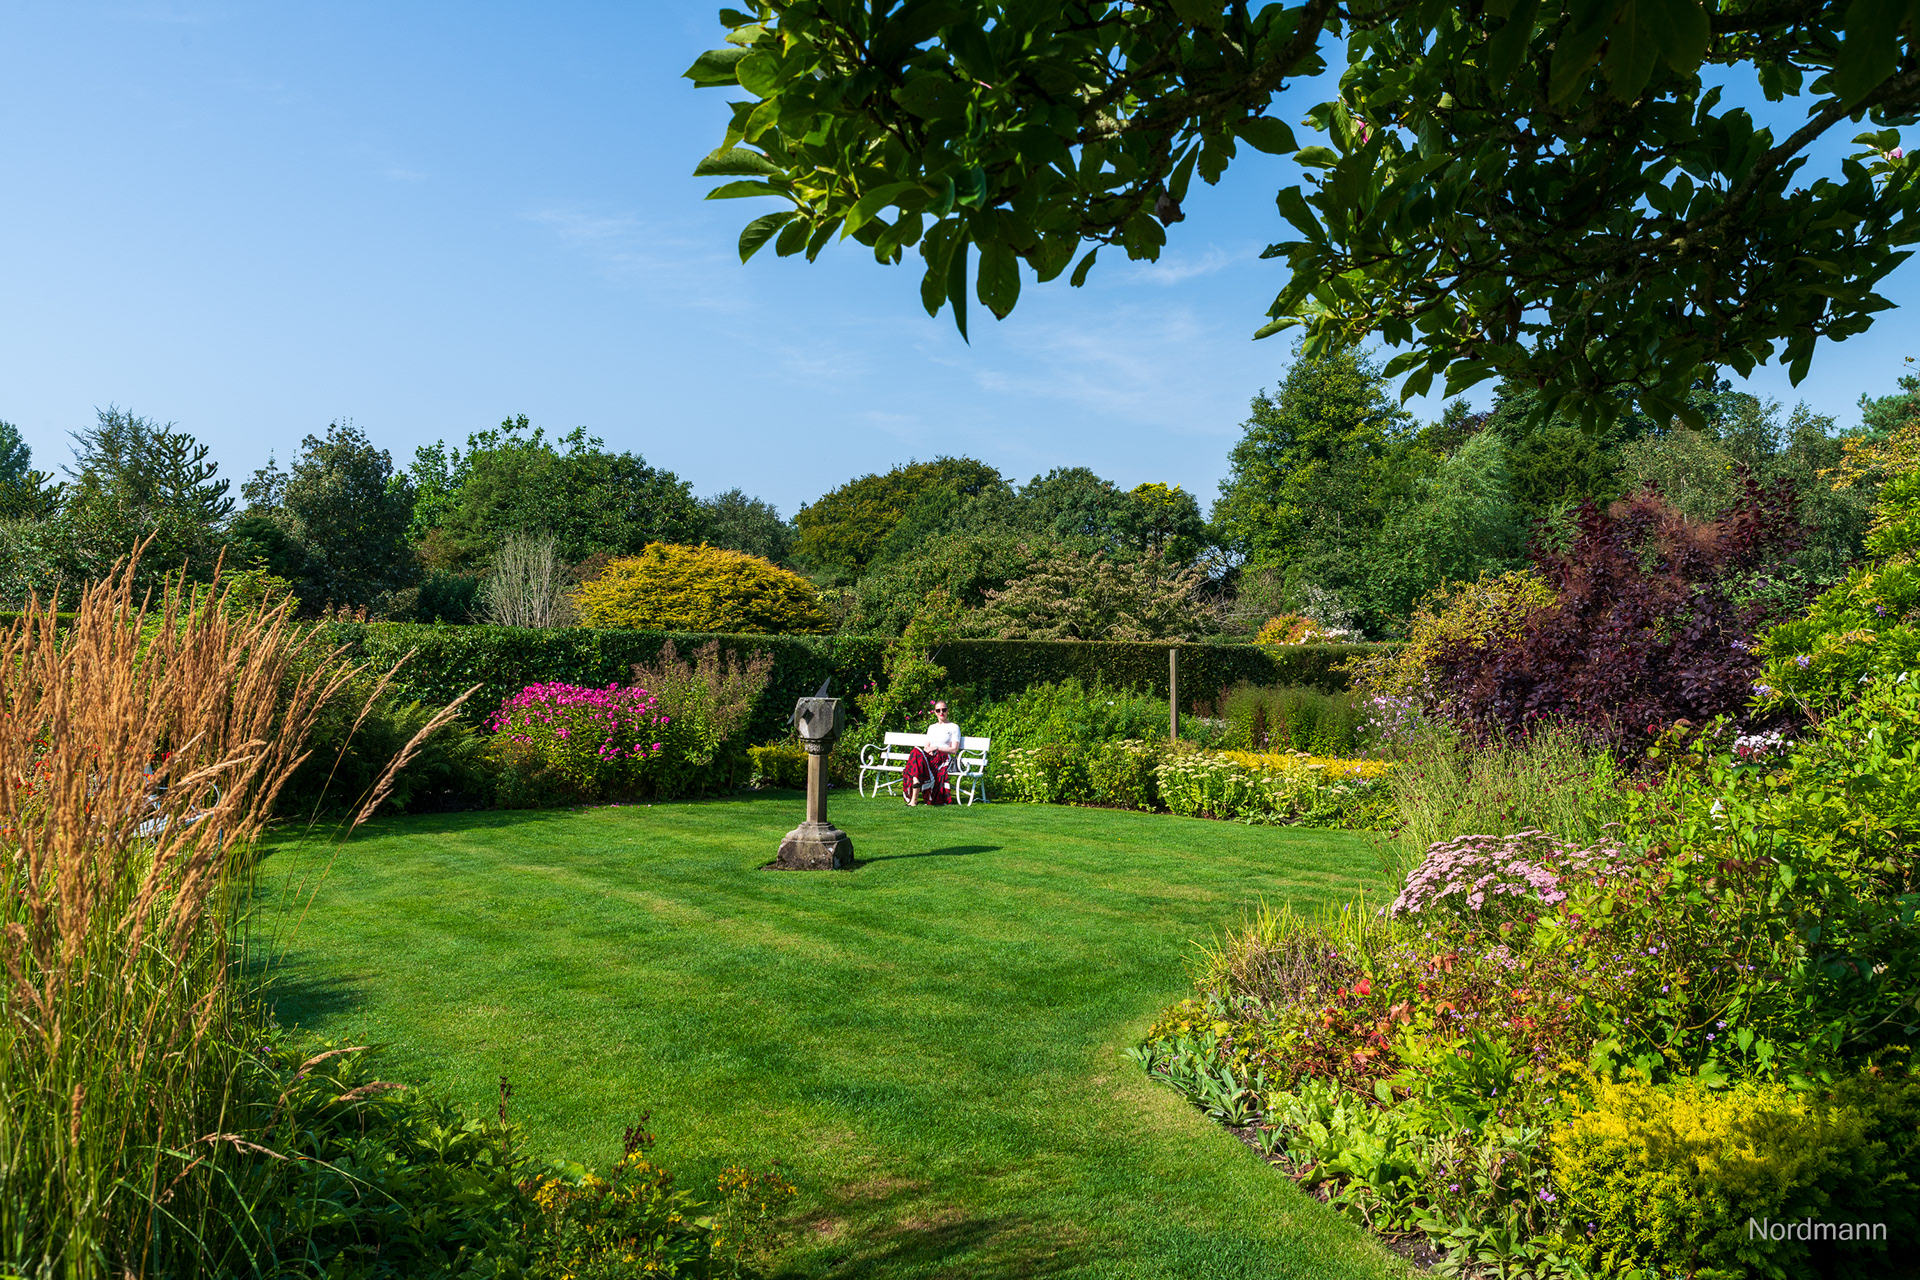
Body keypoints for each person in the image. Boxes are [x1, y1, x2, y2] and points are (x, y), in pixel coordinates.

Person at [902, 700, 960, 806]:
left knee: (916, 759)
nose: (941, 712)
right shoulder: (932, 727)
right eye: (938, 710)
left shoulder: (954, 727)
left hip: (943, 758)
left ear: (948, 711)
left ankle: (914, 796)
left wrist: (936, 748)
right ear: (935, 712)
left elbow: (954, 750)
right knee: (915, 752)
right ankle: (916, 781)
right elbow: (926, 746)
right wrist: (929, 751)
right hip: (930, 756)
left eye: (944, 710)